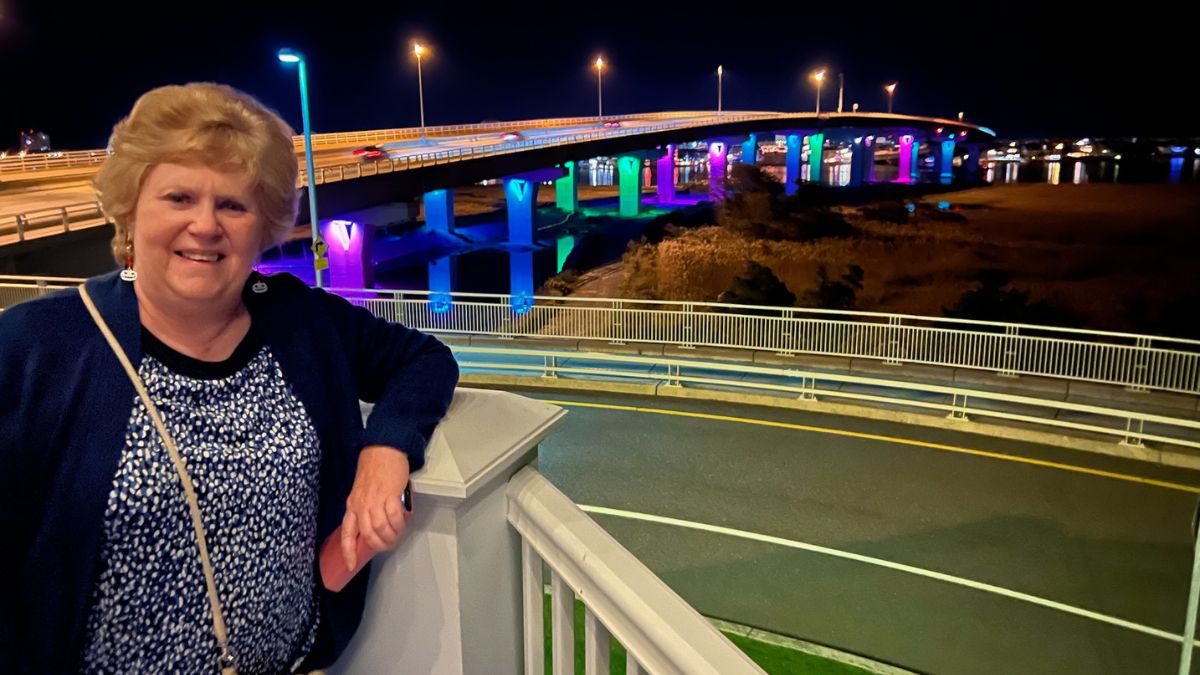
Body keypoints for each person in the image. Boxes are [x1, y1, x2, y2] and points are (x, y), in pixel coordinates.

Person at [0, 82, 459, 673]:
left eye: (233, 205)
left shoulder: (299, 320)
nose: (205, 225)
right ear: (130, 209)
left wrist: (387, 446)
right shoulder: (39, 349)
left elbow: (424, 360)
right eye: (179, 197)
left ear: (263, 224)